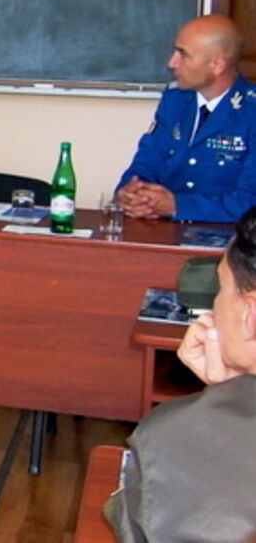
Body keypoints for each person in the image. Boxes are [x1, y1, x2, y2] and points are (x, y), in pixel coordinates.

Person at [105, 205, 256, 540]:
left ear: (250, 316)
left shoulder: (173, 435)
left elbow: (134, 522)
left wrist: (222, 408)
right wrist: (235, 393)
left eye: (221, 288)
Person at [117, 14, 256, 223]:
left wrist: (177, 206)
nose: (172, 62)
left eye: (184, 54)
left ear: (217, 65)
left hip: (228, 243)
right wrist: (131, 193)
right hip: (162, 232)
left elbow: (250, 202)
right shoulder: (174, 101)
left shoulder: (250, 112)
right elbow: (147, 163)